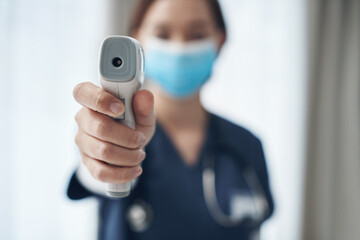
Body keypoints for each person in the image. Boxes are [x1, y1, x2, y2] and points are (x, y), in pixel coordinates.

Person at [67, 0, 274, 239]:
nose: (179, 47)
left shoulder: (247, 145)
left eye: (196, 34)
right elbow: (97, 172)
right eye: (162, 33)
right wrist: (103, 159)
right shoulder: (113, 130)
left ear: (220, 40)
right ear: (139, 42)